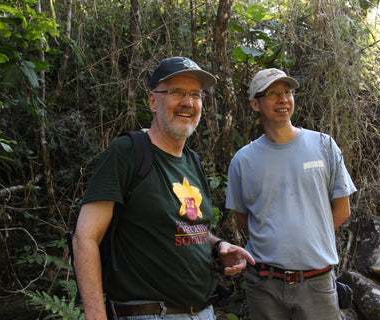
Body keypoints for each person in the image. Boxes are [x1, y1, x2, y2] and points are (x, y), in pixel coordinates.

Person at [73, 57, 255, 320]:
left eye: (195, 94)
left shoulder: (192, 160)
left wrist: (218, 247)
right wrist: (96, 315)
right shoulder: (127, 153)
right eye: (175, 92)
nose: (187, 102)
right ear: (152, 101)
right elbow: (85, 238)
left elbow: (192, 228)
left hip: (203, 311)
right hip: (148, 313)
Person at [225, 68, 357, 320]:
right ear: (255, 103)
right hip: (264, 285)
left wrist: (309, 238)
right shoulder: (243, 160)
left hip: (317, 282)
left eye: (287, 92)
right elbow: (244, 219)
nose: (283, 99)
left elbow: (342, 209)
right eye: (273, 93)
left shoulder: (324, 145)